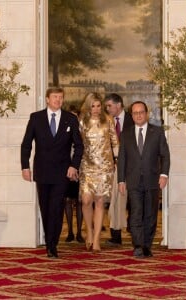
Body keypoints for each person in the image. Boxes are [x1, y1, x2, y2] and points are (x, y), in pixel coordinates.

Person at [21, 87, 84, 258]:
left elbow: (79, 146)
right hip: (42, 171)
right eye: (54, 97)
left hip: (62, 172)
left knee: (56, 208)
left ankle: (52, 244)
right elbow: (26, 144)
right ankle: (50, 240)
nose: (58, 100)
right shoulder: (36, 118)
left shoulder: (70, 119)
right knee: (45, 207)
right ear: (47, 99)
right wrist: (25, 167)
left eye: (60, 97)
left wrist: (74, 166)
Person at [117, 101, 170, 258]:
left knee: (150, 214)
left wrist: (164, 175)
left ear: (146, 114)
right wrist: (121, 180)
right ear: (131, 115)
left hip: (152, 179)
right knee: (136, 213)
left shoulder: (157, 132)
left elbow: (165, 155)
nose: (138, 115)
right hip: (133, 180)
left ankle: (147, 244)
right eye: (135, 113)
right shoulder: (126, 134)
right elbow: (122, 158)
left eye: (141, 112)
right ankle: (138, 245)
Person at [79, 92, 119, 253]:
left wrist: (117, 161)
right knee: (86, 201)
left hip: (104, 168)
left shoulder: (107, 120)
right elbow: (77, 143)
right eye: (93, 106)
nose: (96, 109)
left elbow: (115, 142)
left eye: (98, 105)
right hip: (87, 166)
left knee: (100, 202)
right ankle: (89, 230)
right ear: (88, 106)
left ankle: (96, 239)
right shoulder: (82, 121)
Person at [104, 93, 134, 246]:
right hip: (111, 167)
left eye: (109, 105)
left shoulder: (132, 119)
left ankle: (135, 234)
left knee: (132, 202)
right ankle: (116, 237)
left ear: (118, 105)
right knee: (114, 202)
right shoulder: (106, 121)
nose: (107, 109)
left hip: (131, 168)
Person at [64, 105, 84, 243]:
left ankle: (79, 233)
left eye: (75, 116)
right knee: (67, 201)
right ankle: (70, 231)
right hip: (66, 170)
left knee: (80, 202)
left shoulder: (83, 131)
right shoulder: (64, 130)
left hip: (82, 169)